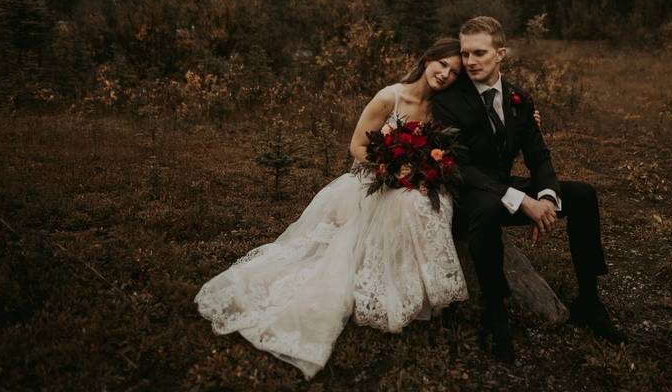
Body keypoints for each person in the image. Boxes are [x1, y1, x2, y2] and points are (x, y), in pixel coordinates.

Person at [194, 38, 470, 380]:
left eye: (454, 72)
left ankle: (421, 293)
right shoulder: (390, 97)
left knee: (427, 203)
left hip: (409, 178)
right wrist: (392, 164)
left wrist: (421, 170)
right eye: (441, 64)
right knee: (400, 207)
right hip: (374, 178)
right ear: (428, 59)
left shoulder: (440, 109)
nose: (445, 74)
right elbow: (356, 146)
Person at [431, 16, 627, 364]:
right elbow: (460, 167)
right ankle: (495, 313)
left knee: (582, 195)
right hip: (468, 193)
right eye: (466, 53)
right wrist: (522, 200)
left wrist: (548, 198)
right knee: (489, 208)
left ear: (501, 53)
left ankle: (589, 301)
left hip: (504, 186)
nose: (471, 61)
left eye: (479, 53)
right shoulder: (449, 101)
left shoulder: (520, 98)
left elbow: (539, 157)